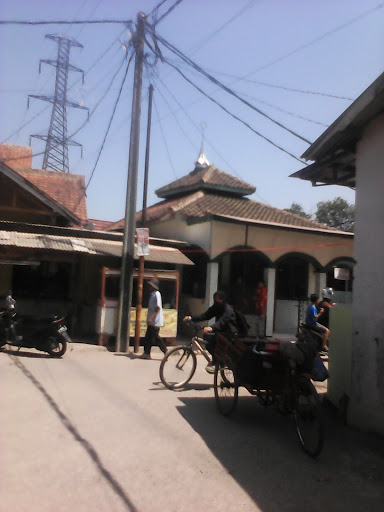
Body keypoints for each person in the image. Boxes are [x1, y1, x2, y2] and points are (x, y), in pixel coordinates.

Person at [183, 290, 238, 374]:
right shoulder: (216, 307)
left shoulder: (228, 309)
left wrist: (211, 328)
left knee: (213, 341)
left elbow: (222, 322)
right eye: (214, 298)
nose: (215, 300)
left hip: (229, 332)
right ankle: (216, 360)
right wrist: (191, 318)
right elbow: (205, 315)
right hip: (221, 331)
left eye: (217, 299)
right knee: (208, 340)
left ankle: (217, 363)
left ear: (222, 299)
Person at [140, 278, 167, 359]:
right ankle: (146, 353)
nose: (149, 287)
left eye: (151, 286)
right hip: (152, 321)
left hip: (155, 321)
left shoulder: (157, 294)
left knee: (156, 337)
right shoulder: (152, 295)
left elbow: (158, 307)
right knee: (148, 337)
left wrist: (151, 318)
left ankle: (165, 351)